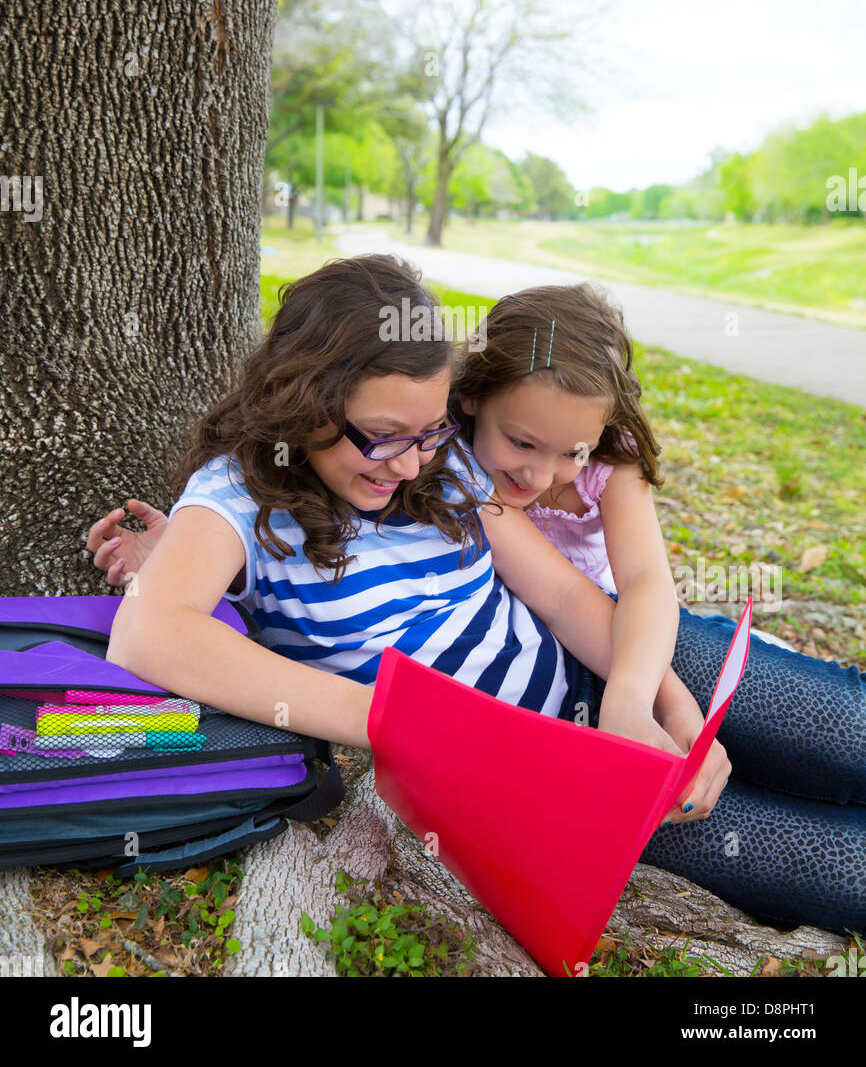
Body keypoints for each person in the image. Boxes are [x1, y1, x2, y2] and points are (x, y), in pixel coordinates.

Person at [87, 257, 865, 935]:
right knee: (843, 872)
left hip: (611, 665)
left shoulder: (438, 464)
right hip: (552, 784)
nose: (411, 462)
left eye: (431, 432)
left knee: (849, 735)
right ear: (307, 402)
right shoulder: (236, 498)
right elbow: (152, 633)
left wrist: (663, 701)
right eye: (387, 435)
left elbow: (562, 598)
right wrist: (404, 722)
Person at [450, 281, 866, 935]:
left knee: (847, 733)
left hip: (632, 642)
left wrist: (643, 698)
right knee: (844, 869)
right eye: (523, 442)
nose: (543, 474)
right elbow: (558, 598)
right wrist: (647, 706)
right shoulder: (460, 473)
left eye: (571, 451)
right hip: (562, 701)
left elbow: (644, 582)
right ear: (472, 394)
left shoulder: (608, 463)